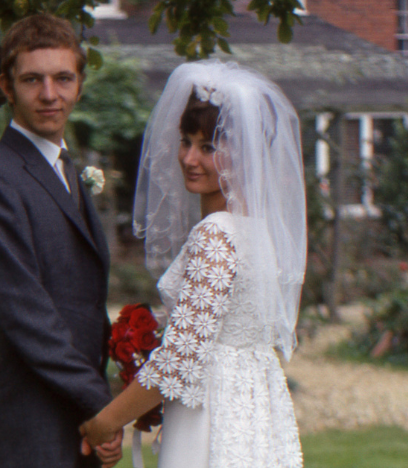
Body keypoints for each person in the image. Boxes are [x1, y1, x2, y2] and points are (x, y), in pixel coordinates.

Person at [80, 60, 306, 468]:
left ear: (245, 155)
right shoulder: (258, 234)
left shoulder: (216, 234)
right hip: (253, 415)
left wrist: (105, 421)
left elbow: (180, 360)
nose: (189, 157)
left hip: (209, 418)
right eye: (186, 141)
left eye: (208, 146)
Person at [0, 14, 121, 468]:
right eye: (32, 79)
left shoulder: (70, 169)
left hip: (77, 416)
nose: (50, 94)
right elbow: (25, 313)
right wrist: (101, 406)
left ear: (80, 85)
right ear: (7, 88)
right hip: (32, 422)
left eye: (62, 78)